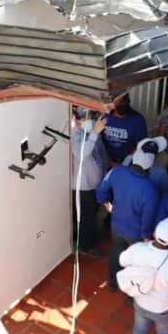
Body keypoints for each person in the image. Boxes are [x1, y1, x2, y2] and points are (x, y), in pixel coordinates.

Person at [96, 147, 160, 292]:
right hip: (136, 233)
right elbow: (148, 217)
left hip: (116, 224)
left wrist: (107, 204)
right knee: (136, 262)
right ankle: (132, 293)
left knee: (117, 251)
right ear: (150, 167)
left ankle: (113, 282)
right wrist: (146, 237)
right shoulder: (151, 190)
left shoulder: (117, 171)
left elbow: (101, 191)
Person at [71, 109, 108, 258]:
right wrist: (95, 133)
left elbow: (101, 153)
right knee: (86, 218)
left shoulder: (91, 130)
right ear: (77, 119)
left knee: (91, 215)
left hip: (95, 184)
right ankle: (86, 247)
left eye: (92, 116)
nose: (91, 120)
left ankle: (88, 238)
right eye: (87, 117)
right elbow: (81, 155)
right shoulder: (75, 133)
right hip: (83, 187)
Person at [101, 94, 148, 166]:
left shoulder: (137, 120)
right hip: (105, 162)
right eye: (119, 102)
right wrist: (109, 161)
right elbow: (99, 141)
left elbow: (141, 143)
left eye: (123, 102)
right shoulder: (104, 116)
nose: (121, 104)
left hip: (129, 164)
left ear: (128, 101)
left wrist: (126, 161)